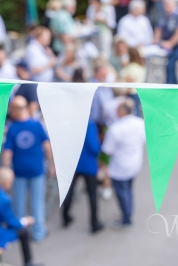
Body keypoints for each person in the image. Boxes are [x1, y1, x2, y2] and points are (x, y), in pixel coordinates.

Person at [2, 96, 55, 242]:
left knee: (19, 203)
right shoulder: (37, 125)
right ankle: (38, 232)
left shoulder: (12, 128)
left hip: (19, 172)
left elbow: (7, 153)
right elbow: (47, 147)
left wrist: (5, 170)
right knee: (37, 203)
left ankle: (21, 232)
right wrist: (51, 165)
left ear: (18, 110)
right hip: (37, 170)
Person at [102, 99, 145, 229]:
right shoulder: (140, 123)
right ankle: (129, 212)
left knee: (122, 193)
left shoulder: (115, 129)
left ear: (121, 111)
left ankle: (126, 218)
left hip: (120, 167)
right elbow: (143, 141)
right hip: (135, 163)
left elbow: (107, 150)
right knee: (129, 189)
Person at [62, 117, 104, 234]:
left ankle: (65, 217)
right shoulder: (89, 124)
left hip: (72, 163)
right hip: (88, 165)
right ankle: (94, 223)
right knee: (92, 195)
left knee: (68, 191)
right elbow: (94, 147)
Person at [154, 0, 178, 84]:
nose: (166, 7)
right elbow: (159, 28)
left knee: (170, 64)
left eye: (168, 5)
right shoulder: (164, 15)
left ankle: (171, 85)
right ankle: (173, 84)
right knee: (169, 65)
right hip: (167, 45)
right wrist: (156, 39)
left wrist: (170, 43)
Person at [118, 47, 146, 116]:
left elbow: (130, 82)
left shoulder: (132, 67)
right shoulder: (141, 66)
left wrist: (123, 94)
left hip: (130, 93)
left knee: (132, 114)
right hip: (137, 93)